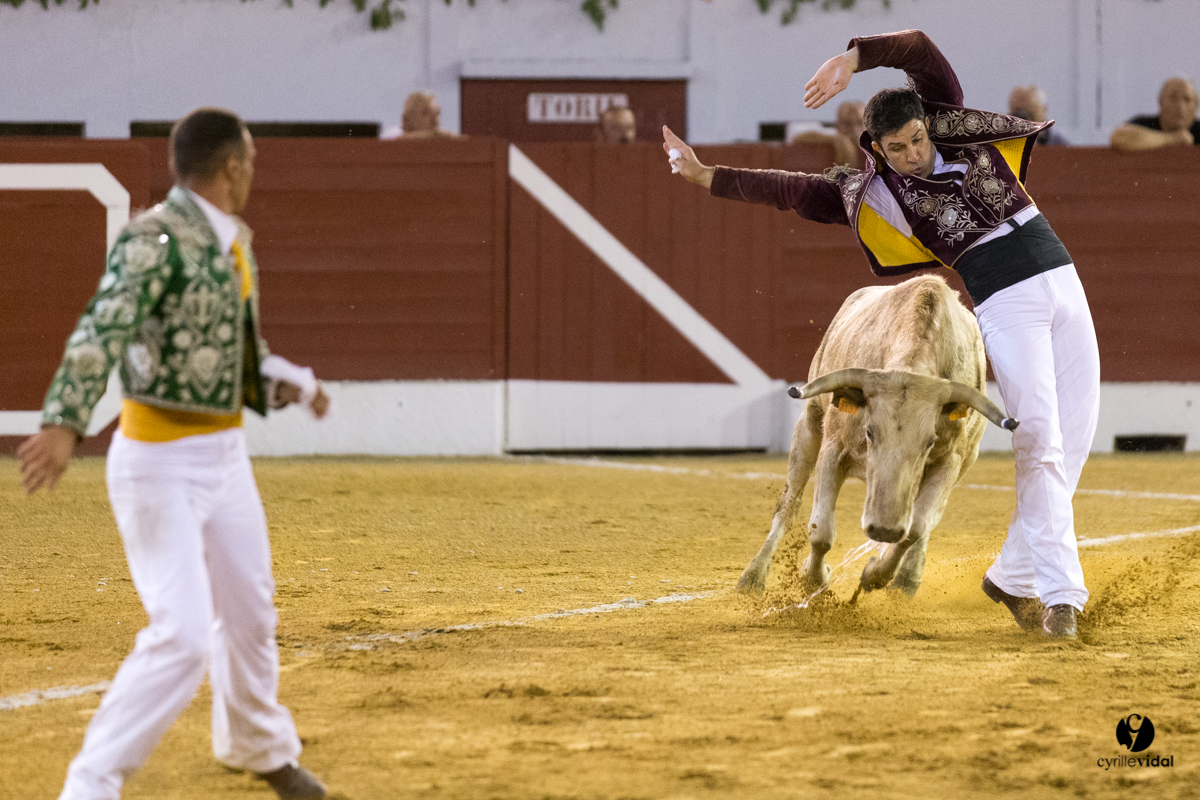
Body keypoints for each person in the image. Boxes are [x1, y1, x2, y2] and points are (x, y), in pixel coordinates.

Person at [663, 29, 1099, 639]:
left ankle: (1012, 575)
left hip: (1062, 277)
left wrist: (852, 59)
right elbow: (792, 192)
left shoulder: (946, 120)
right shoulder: (874, 194)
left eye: (918, 139)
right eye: (898, 148)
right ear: (877, 147)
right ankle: (1060, 597)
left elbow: (919, 48)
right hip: (1005, 301)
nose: (914, 153)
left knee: (1074, 439)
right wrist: (708, 176)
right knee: (1042, 444)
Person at [18, 108, 331, 799]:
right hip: (159, 466)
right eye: (250, 161)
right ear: (232, 168)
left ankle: (259, 746)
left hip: (225, 460)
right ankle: (90, 784)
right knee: (184, 636)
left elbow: (231, 356)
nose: (252, 173)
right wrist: (67, 421)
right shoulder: (154, 237)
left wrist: (294, 384)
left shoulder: (232, 243)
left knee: (250, 614)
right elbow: (104, 322)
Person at [1110, 77, 1200, 151]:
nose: (1180, 106)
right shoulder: (1144, 123)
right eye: (1173, 98)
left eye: (1187, 99)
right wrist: (1172, 139)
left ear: (1196, 106)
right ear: (1161, 103)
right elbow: (1118, 137)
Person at [791, 100, 867, 168]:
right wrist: (835, 139)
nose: (854, 129)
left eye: (859, 123)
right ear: (838, 125)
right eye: (847, 124)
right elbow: (796, 138)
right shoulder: (833, 137)